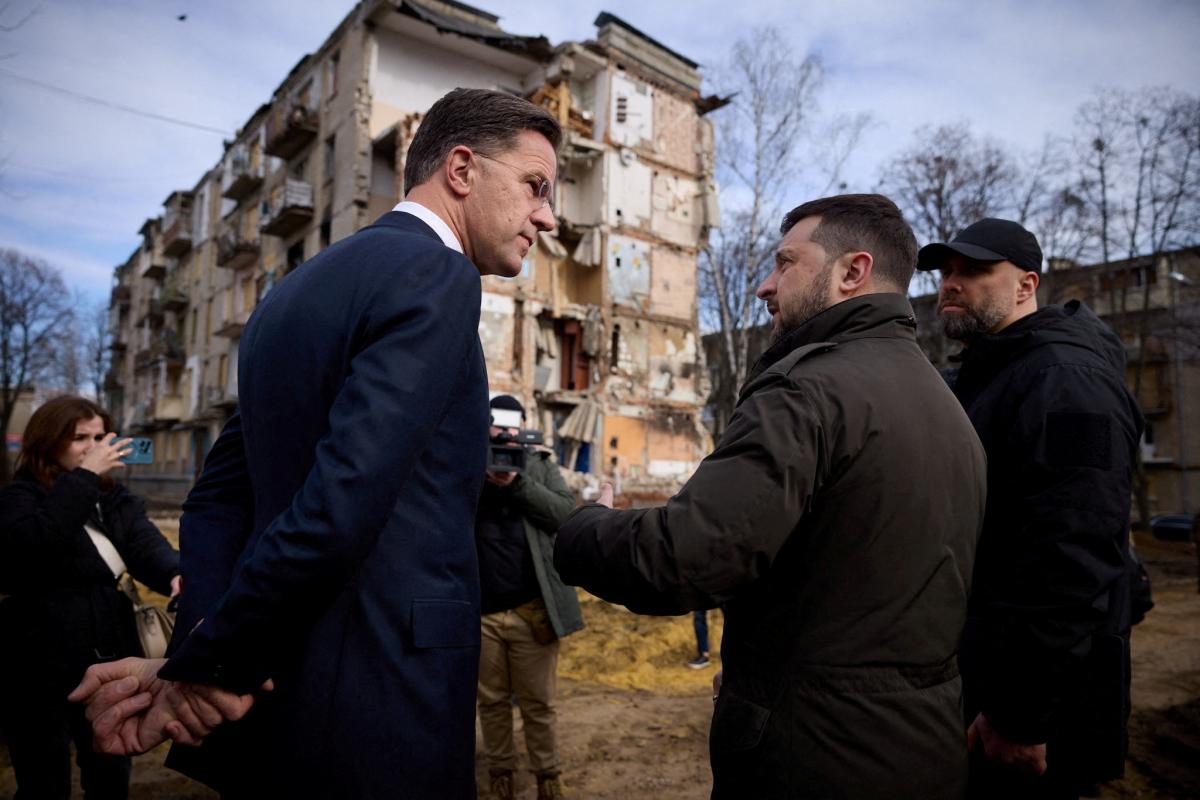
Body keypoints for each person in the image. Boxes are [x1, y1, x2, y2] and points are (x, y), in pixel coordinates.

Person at [70, 88, 562, 798]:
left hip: (288, 707)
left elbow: (220, 496)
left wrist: (202, 646)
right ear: (461, 169)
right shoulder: (437, 272)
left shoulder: (294, 291)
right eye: (535, 186)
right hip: (383, 707)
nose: (547, 215)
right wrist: (213, 667)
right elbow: (342, 503)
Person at [554, 194, 987, 798]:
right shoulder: (946, 407)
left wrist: (574, 529)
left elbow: (690, 556)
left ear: (851, 272)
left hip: (814, 757)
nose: (765, 285)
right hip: (922, 747)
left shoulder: (807, 389)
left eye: (786, 263)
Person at [919, 218, 1143, 798]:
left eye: (973, 270)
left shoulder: (1066, 381)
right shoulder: (995, 375)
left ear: (1026, 285)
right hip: (984, 687)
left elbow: (1073, 556)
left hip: (1034, 721)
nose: (950, 283)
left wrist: (1022, 715)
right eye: (946, 271)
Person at [0, 395, 181, 799]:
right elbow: (31, 547)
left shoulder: (114, 499)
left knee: (111, 775)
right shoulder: (19, 498)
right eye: (80, 437)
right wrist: (83, 478)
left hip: (110, 659)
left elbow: (143, 543)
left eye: (100, 436)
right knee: (43, 782)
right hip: (34, 667)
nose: (95, 446)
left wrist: (174, 572)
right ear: (48, 442)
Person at [475, 394, 582, 800]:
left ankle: (547, 779)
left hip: (531, 611)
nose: (504, 431)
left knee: (539, 704)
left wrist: (517, 483)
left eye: (511, 423)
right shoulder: (469, 463)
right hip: (483, 613)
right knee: (492, 703)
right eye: (496, 423)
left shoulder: (539, 464)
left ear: (523, 426)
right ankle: (500, 777)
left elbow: (564, 515)